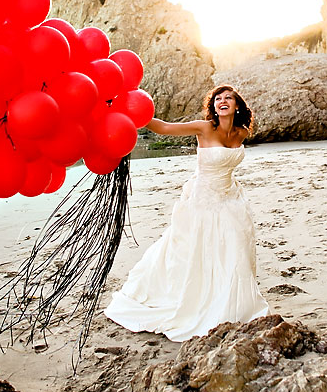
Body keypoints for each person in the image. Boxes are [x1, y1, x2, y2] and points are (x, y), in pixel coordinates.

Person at [103, 85, 270, 341]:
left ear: (237, 106)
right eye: (218, 99)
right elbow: (165, 128)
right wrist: (132, 113)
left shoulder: (242, 132)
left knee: (234, 249)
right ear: (213, 106)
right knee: (194, 251)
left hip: (231, 199)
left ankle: (229, 300)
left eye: (228, 98)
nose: (222, 101)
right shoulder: (204, 128)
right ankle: (193, 298)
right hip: (202, 200)